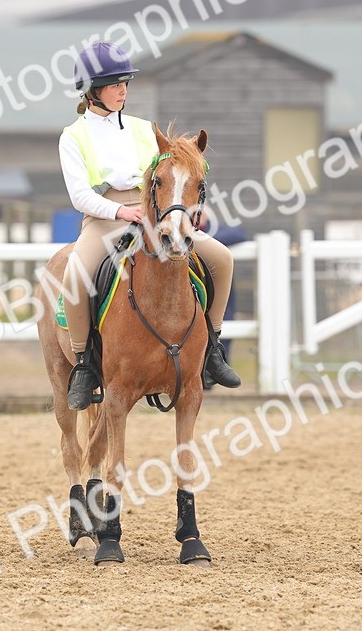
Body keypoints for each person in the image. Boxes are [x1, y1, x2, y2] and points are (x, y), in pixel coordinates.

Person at [58, 41, 240, 410]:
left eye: (125, 82)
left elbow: (175, 176)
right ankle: (83, 365)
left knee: (221, 258)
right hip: (106, 217)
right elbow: (79, 195)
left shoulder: (144, 130)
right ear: (93, 91)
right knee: (76, 275)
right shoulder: (73, 136)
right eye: (114, 84)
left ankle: (214, 348)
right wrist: (120, 212)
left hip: (156, 215)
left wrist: (186, 212)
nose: (123, 90)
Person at [197, 208, 247, 390]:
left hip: (218, 297)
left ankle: (215, 370)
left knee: (220, 330)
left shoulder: (215, 230)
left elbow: (239, 233)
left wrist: (206, 242)